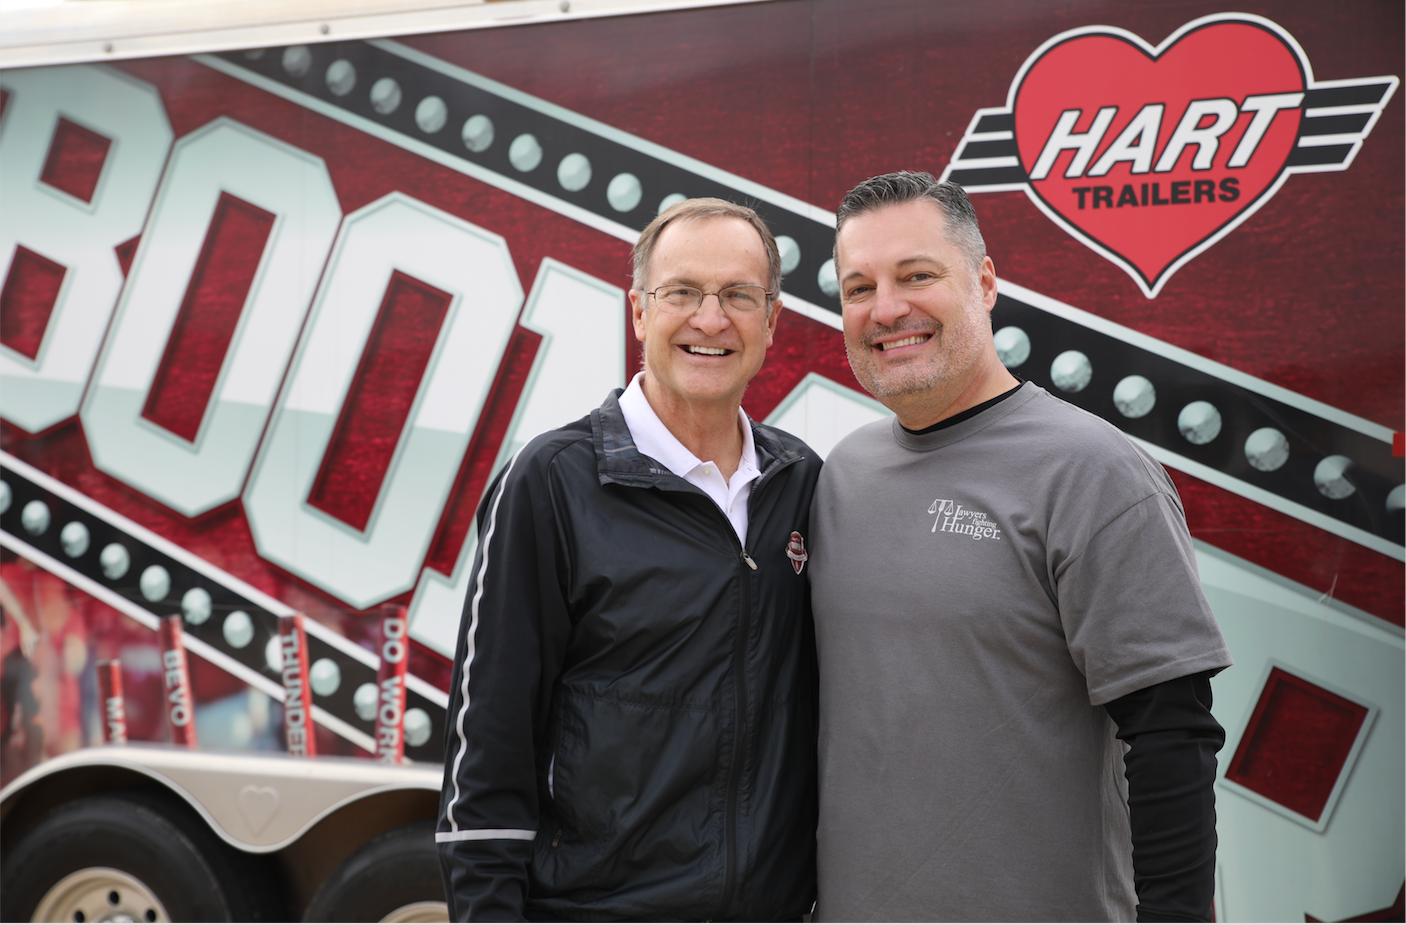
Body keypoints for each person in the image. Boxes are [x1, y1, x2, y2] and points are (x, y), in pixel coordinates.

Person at [809, 171, 1233, 922]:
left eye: (917, 276)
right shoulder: (841, 476)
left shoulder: (1093, 473)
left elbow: (1172, 736)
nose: (887, 309)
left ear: (985, 281)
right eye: (858, 287)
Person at [436, 198, 821, 921]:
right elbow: (488, 742)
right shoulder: (553, 480)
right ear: (640, 312)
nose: (711, 319)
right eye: (682, 292)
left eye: (738, 295)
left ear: (771, 321)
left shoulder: (800, 483)